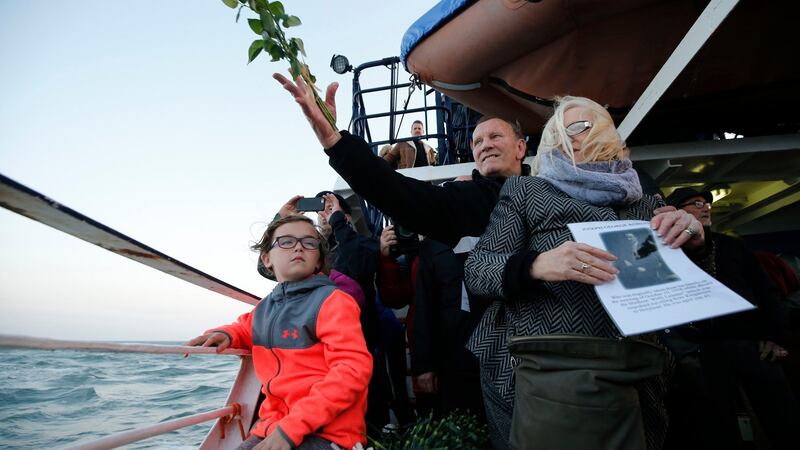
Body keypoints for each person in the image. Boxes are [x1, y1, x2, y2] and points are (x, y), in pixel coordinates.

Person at [464, 96, 708, 449]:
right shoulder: (528, 190)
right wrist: (536, 264)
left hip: (636, 370)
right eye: (557, 133)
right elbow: (478, 269)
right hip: (547, 370)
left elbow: (686, 293)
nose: (567, 137)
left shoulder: (645, 202)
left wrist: (695, 241)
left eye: (577, 127)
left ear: (607, 132)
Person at [272, 72, 529, 248]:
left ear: (521, 147)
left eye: (495, 136)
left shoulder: (551, 188)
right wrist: (332, 138)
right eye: (477, 142)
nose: (485, 146)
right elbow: (395, 191)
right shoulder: (465, 199)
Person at [186, 215, 372, 450]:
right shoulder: (266, 307)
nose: (298, 246)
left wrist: (291, 429)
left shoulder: (333, 301)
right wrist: (226, 334)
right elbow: (244, 327)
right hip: (273, 426)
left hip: (329, 433)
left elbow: (352, 370)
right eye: (286, 241)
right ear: (267, 259)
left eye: (309, 242)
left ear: (318, 261)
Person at [663, 187, 799, 450]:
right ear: (677, 213)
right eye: (696, 203)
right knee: (715, 420)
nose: (705, 207)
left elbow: (766, 293)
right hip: (703, 350)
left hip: (750, 344)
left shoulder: (732, 246)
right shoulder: (670, 252)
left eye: (706, 203)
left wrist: (773, 336)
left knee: (780, 413)